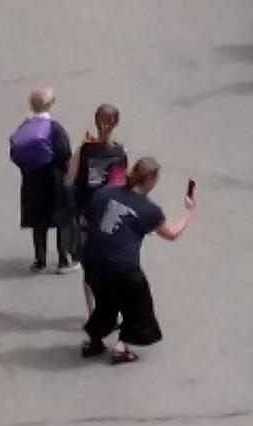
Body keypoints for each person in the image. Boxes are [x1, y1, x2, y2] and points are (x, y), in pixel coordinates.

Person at [80, 154, 194, 362]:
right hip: (123, 268)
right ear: (150, 180)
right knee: (138, 306)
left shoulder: (105, 193)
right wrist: (188, 211)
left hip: (94, 261)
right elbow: (171, 233)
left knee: (105, 303)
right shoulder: (149, 210)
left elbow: (85, 220)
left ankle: (95, 341)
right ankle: (122, 347)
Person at [9, 87, 73, 271]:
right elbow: (65, 153)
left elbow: (15, 152)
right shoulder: (55, 129)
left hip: (32, 179)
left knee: (38, 220)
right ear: (51, 105)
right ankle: (63, 259)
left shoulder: (24, 127)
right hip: (55, 179)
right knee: (63, 218)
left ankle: (40, 260)